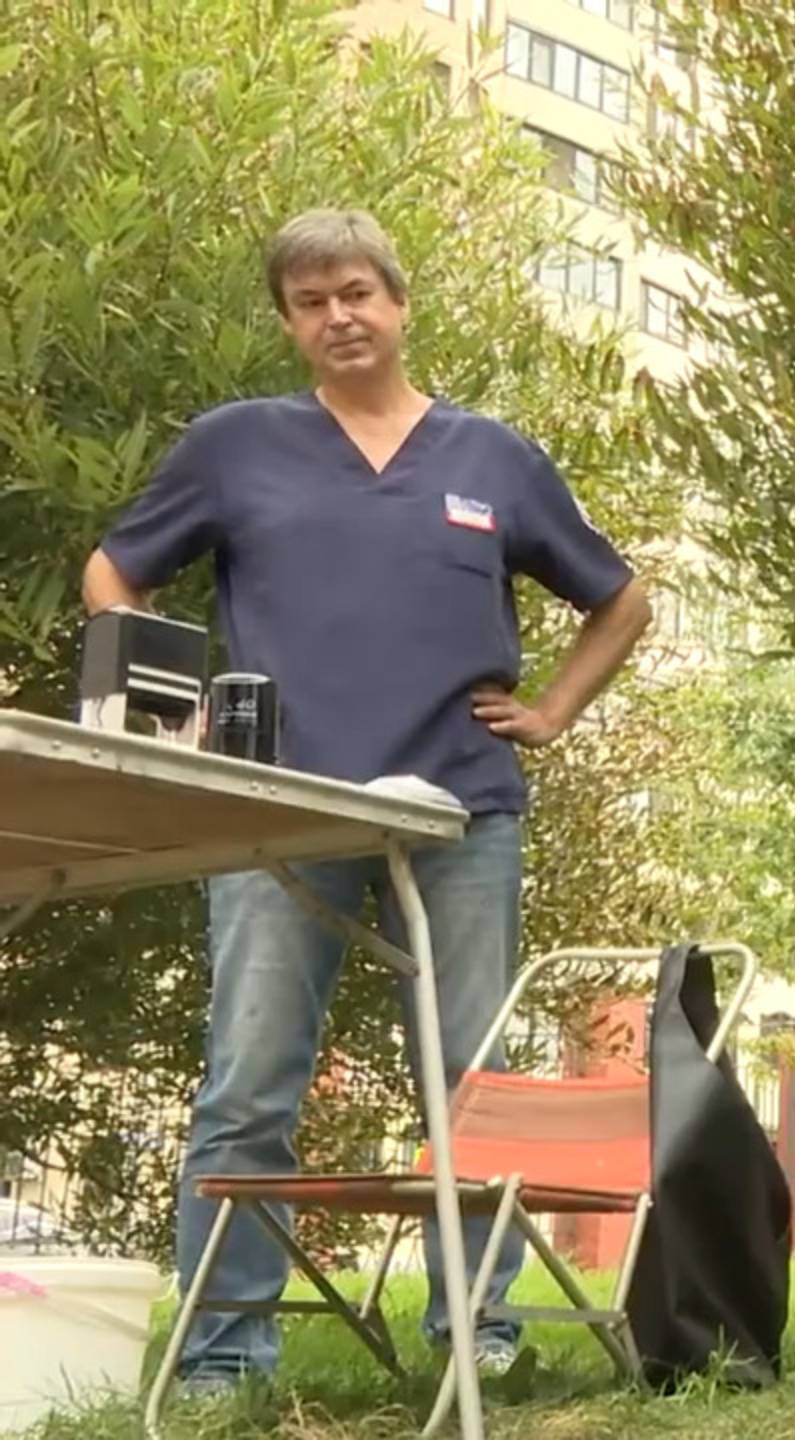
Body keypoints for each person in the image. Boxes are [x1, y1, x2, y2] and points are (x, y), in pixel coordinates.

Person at [83, 209, 652, 1395]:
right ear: (290, 324)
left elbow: (620, 599)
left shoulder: (495, 460)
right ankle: (221, 1357)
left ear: (399, 302)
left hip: (462, 814)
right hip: (275, 813)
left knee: (471, 1092)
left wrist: (552, 712)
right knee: (248, 1086)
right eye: (310, 302)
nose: (339, 316)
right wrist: (160, 703)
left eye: (356, 292)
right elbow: (114, 569)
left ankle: (477, 1339)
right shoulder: (234, 446)